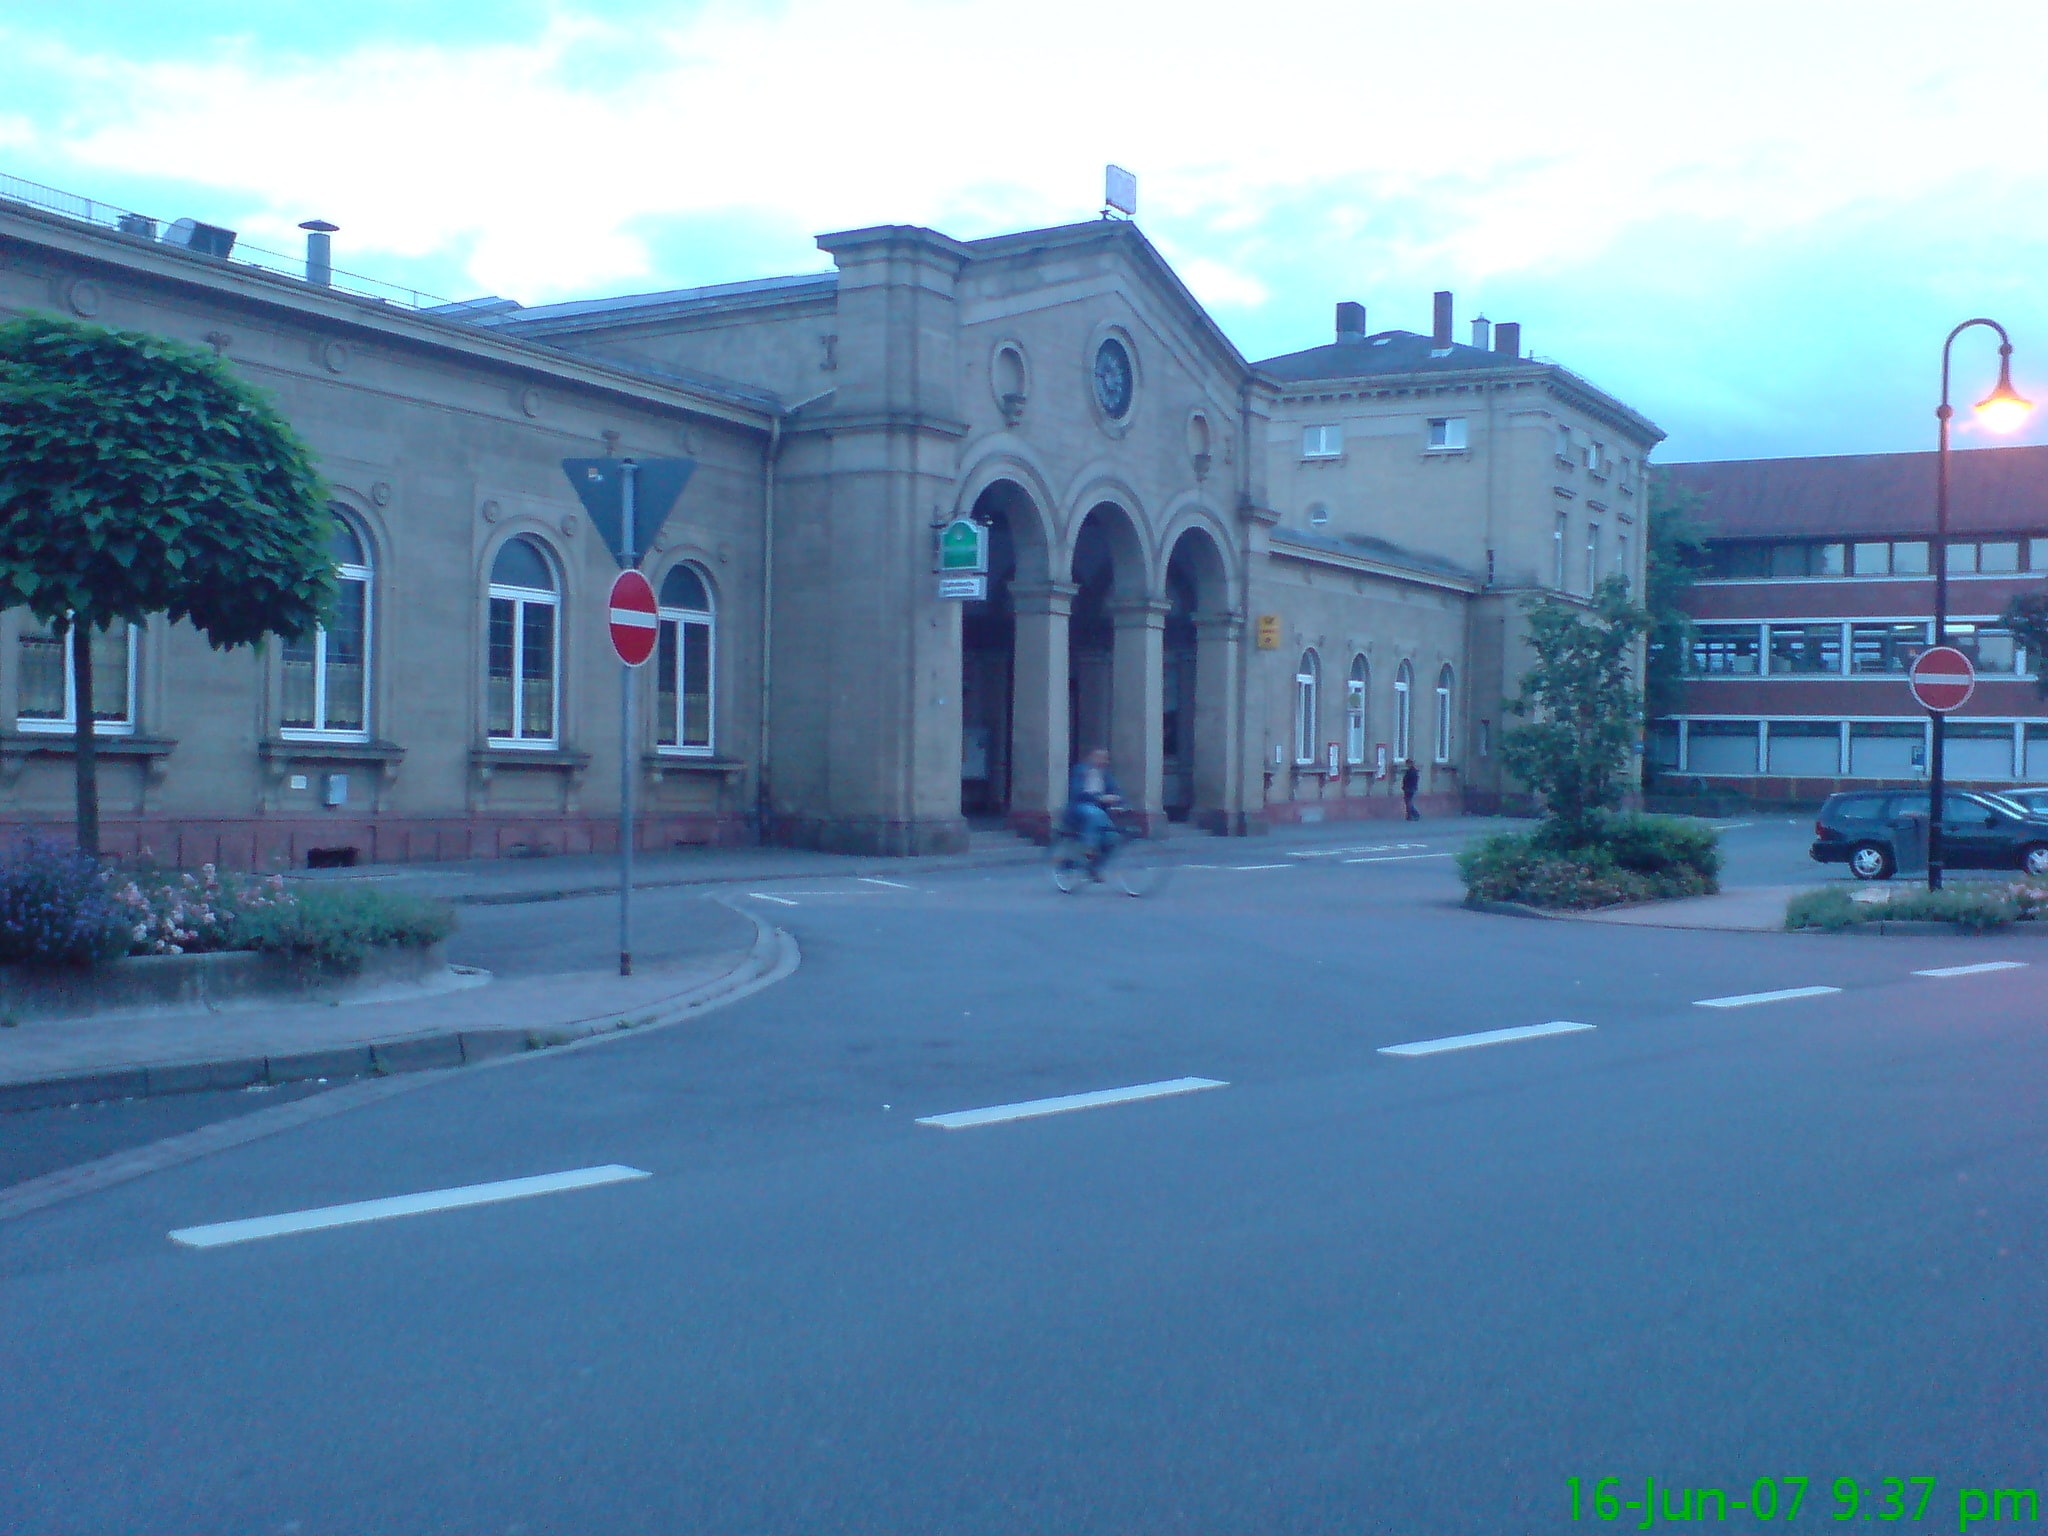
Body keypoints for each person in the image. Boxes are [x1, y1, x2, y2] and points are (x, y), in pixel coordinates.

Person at [1064, 746, 1124, 877]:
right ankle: (1088, 847)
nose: (1104, 761)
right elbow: (1077, 792)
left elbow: (1116, 791)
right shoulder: (1081, 771)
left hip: (1099, 810)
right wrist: (1099, 798)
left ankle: (1094, 868)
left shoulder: (1105, 774)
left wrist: (1120, 803)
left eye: (1105, 758)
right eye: (1100, 757)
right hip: (1080, 807)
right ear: (1092, 757)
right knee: (1095, 814)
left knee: (1112, 838)